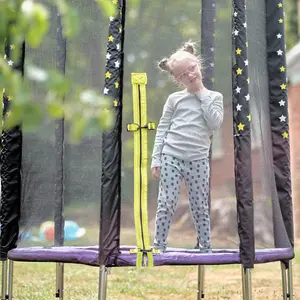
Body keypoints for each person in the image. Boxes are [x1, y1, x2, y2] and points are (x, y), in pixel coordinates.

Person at [151, 41, 224, 253]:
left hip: (198, 160)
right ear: (177, 79)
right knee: (167, 202)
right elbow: (162, 129)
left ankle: (205, 246)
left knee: (200, 206)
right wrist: (157, 159)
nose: (190, 75)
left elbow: (215, 123)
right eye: (183, 74)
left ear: (198, 64)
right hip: (171, 156)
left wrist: (201, 94)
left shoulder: (214, 97)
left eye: (192, 68)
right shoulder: (174, 100)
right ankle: (159, 246)